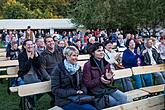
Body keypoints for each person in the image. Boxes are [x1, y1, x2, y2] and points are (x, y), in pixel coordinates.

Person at [83, 43, 127, 109]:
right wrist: (100, 80)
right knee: (114, 102)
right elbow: (87, 84)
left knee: (123, 97)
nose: (102, 52)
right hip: (96, 92)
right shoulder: (88, 65)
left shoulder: (106, 63)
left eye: (102, 50)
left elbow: (110, 79)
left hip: (107, 88)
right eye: (98, 51)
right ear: (92, 53)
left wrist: (109, 79)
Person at [51, 46, 96, 110]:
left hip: (78, 97)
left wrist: (83, 90)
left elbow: (82, 83)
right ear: (67, 56)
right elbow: (55, 90)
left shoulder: (77, 67)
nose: (76, 58)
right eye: (74, 55)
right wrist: (75, 92)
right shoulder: (58, 69)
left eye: (77, 55)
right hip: (64, 100)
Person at [40, 36, 63, 106]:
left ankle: (56, 102)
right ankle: (56, 102)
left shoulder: (60, 51)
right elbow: (42, 69)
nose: (51, 42)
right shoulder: (43, 55)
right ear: (45, 44)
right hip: (51, 77)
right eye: (48, 41)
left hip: (62, 75)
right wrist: (49, 78)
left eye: (52, 41)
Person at [18, 39, 41, 109]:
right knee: (25, 88)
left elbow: (38, 66)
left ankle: (28, 101)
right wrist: (30, 58)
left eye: (31, 44)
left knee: (42, 88)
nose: (30, 46)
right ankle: (29, 104)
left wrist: (36, 57)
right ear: (25, 46)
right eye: (28, 45)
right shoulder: (21, 55)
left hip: (34, 75)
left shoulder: (36, 53)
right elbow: (24, 68)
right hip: (24, 75)